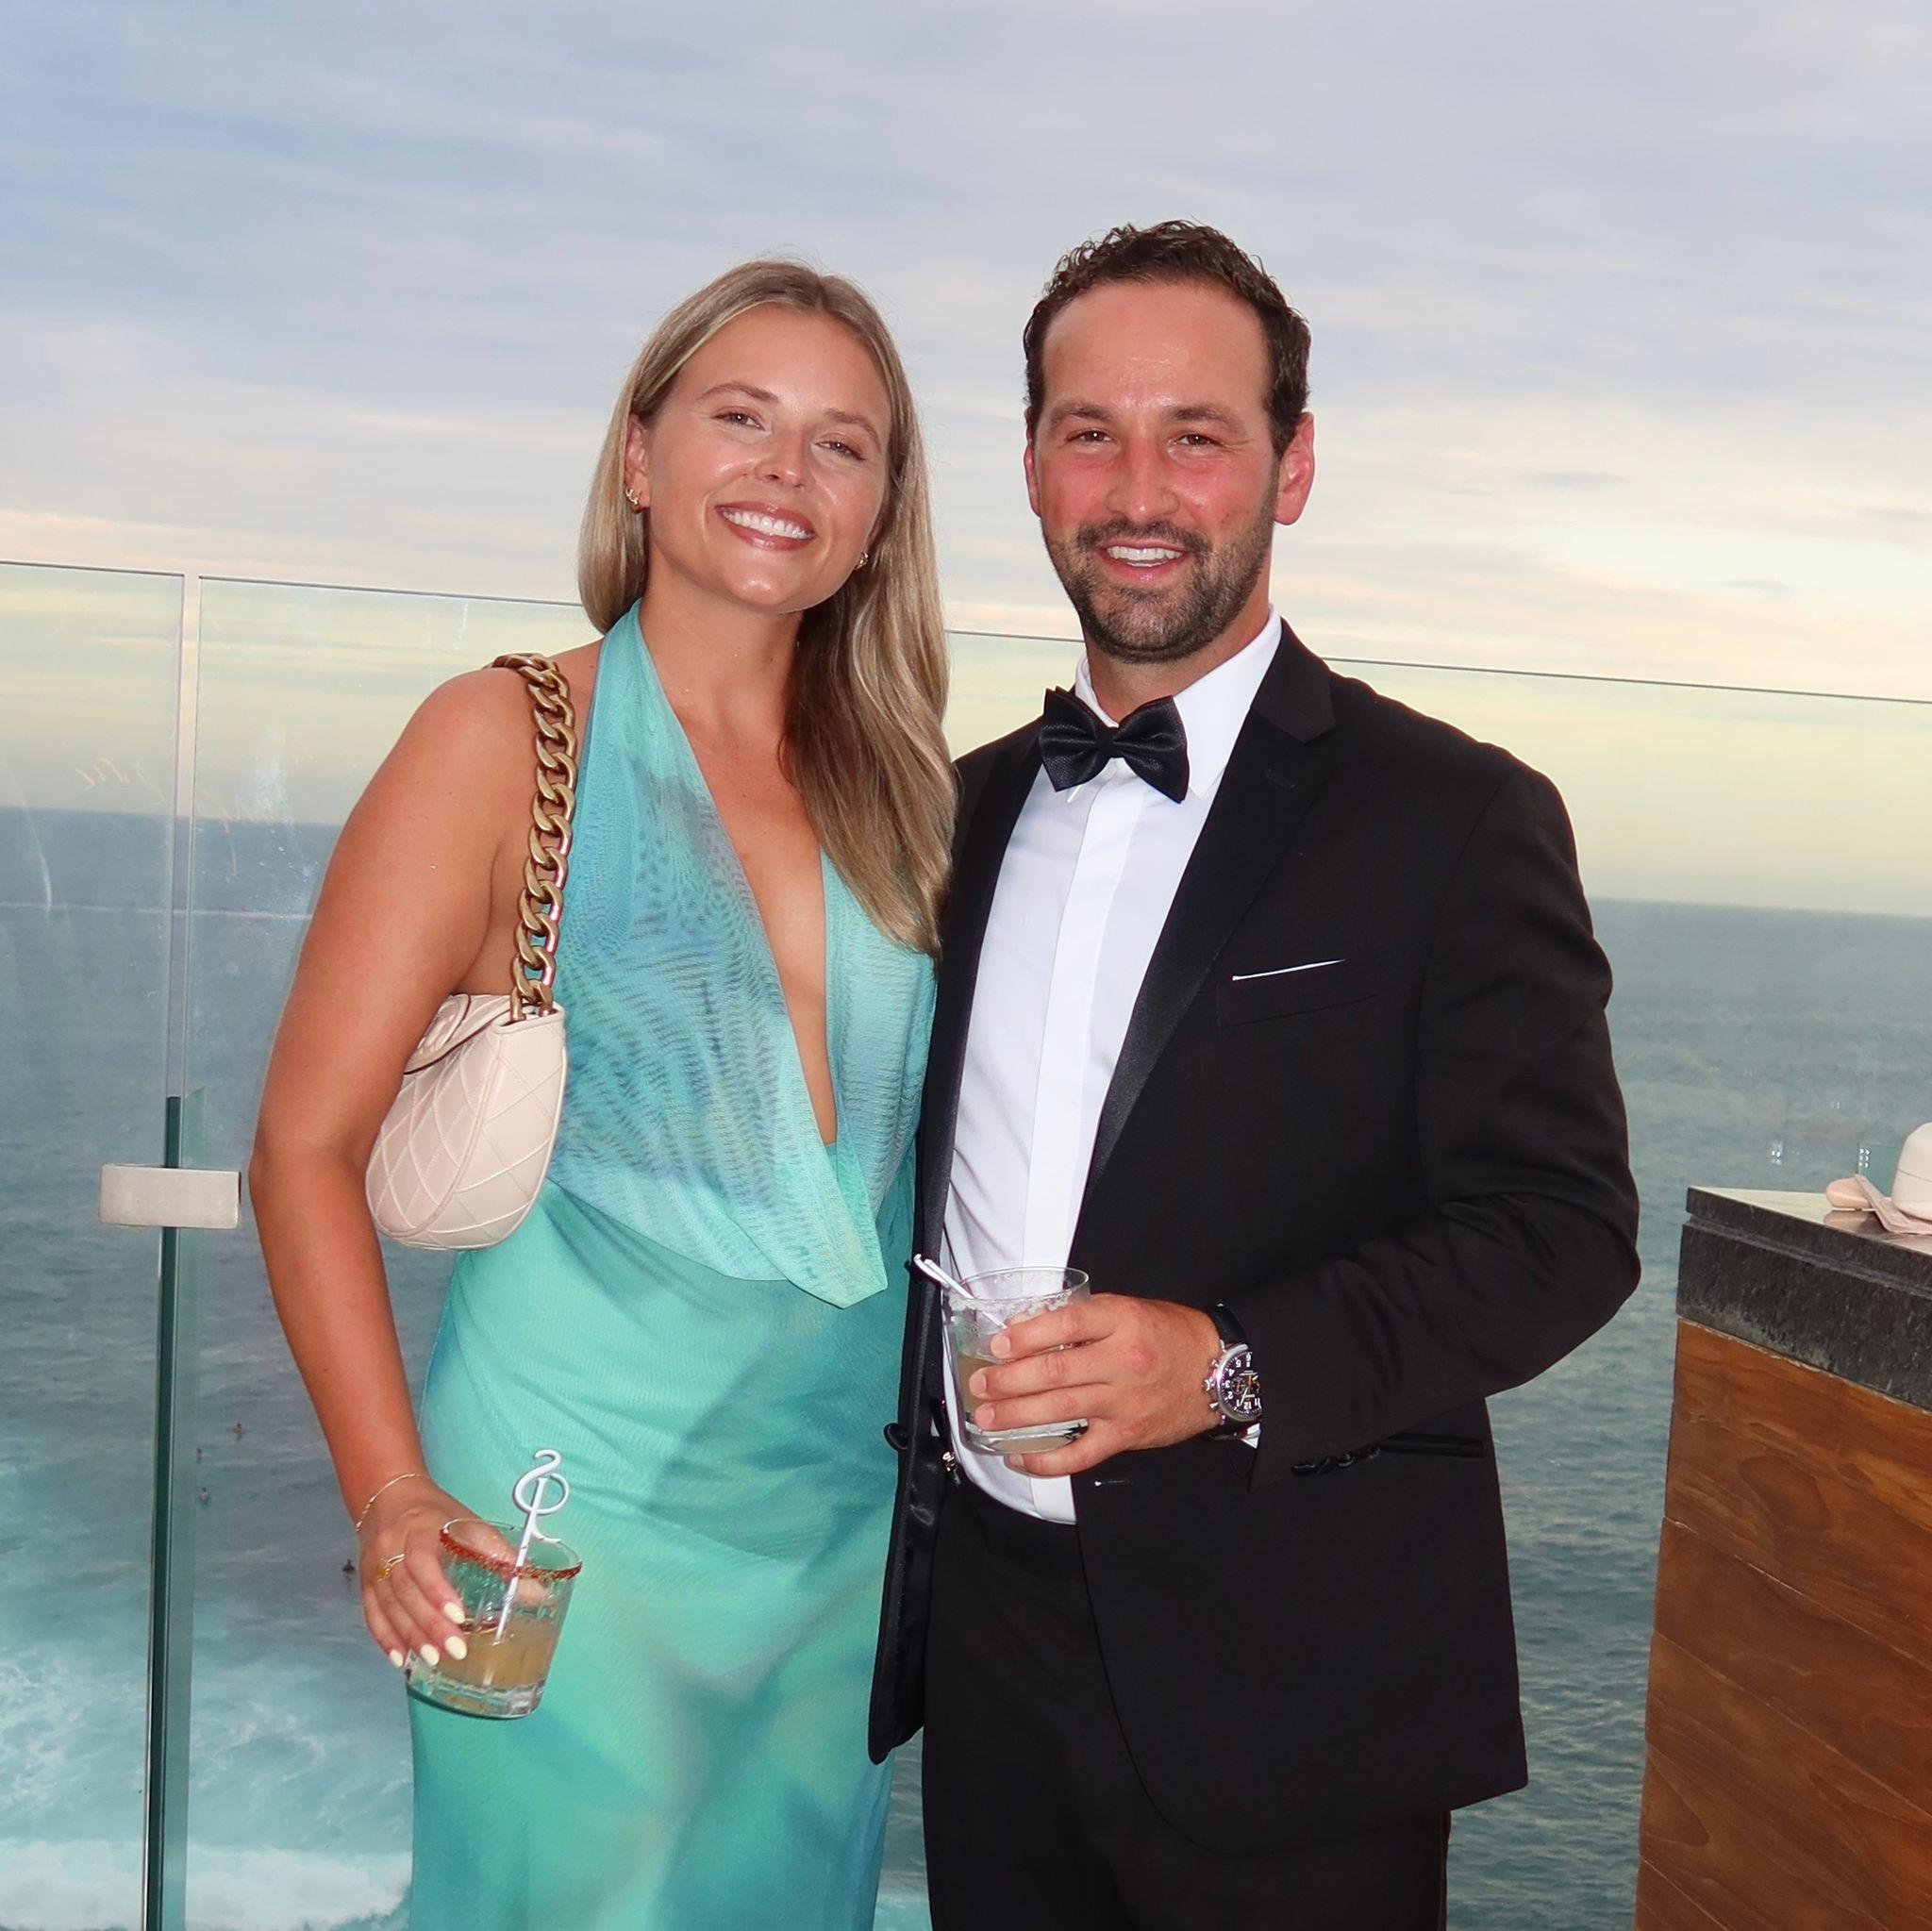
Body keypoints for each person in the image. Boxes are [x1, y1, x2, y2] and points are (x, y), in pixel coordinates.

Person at [871, 221, 1641, 1929]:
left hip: (1300, 1689)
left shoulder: (1456, 819)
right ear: (1032, 467)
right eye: (1092, 432)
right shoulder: (953, 813)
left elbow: (1563, 1233)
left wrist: (1224, 1367)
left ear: (1291, 469)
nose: (1138, 490)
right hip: (988, 1667)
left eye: (1196, 435)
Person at [252, 259, 953, 1927]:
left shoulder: (911, 788)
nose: (786, 473)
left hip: (837, 1523)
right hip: (564, 1520)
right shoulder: (495, 739)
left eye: (841, 443)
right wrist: (389, 1491)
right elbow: (301, 1147)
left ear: (879, 515)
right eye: (741, 418)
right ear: (640, 457)